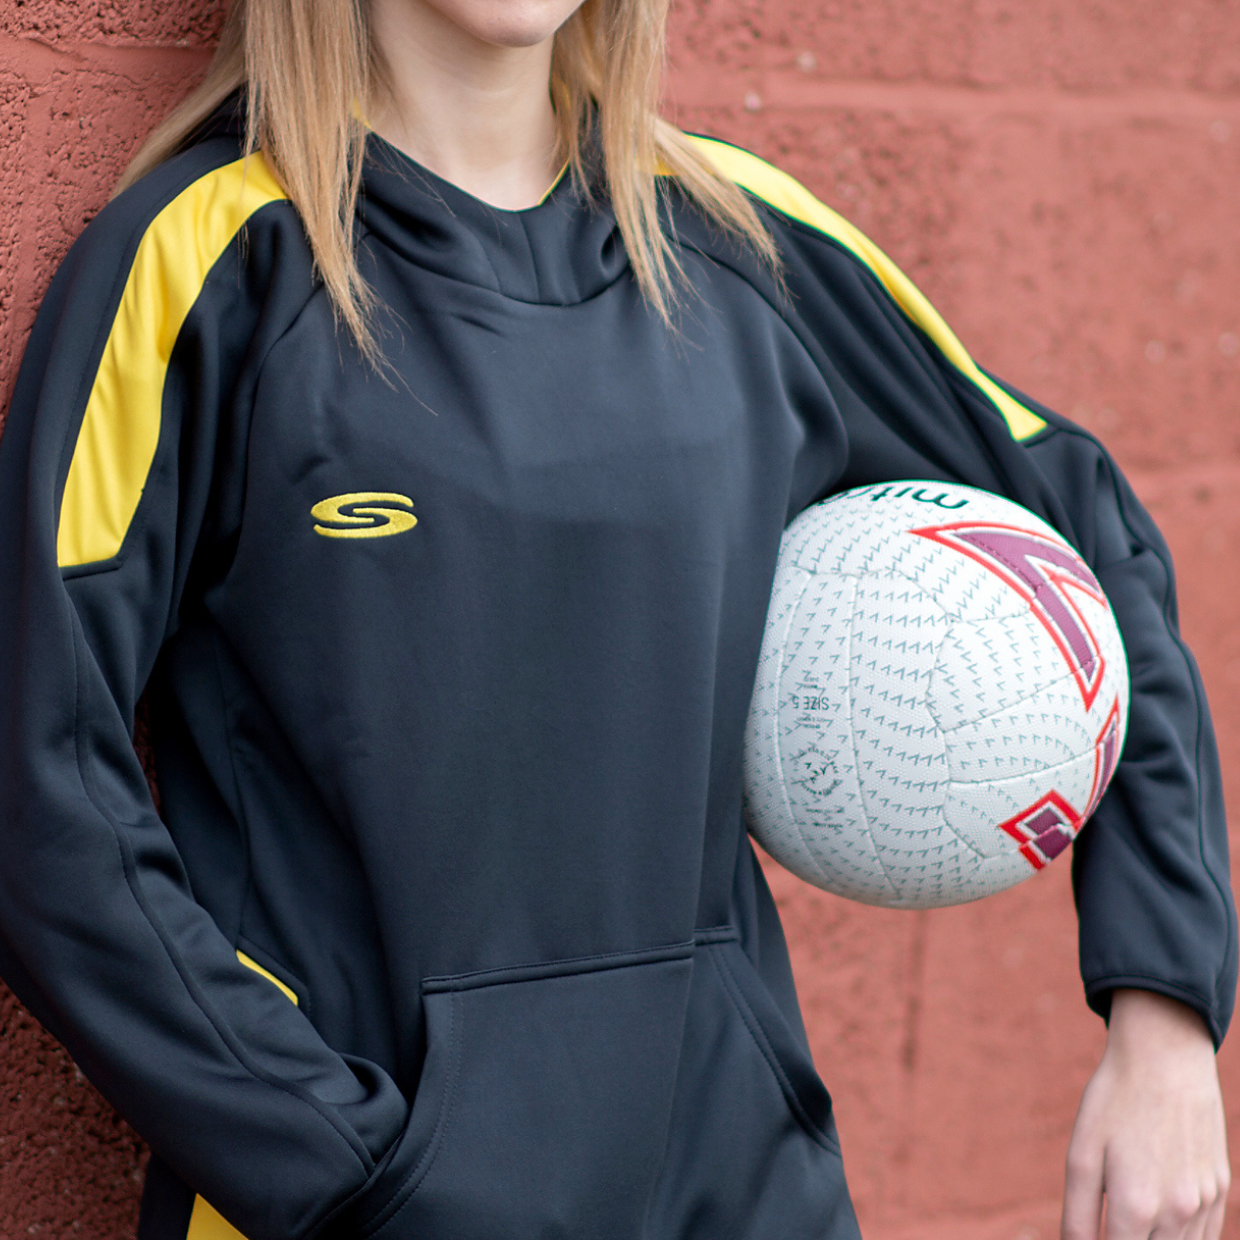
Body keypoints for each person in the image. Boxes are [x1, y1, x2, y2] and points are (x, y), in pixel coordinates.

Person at [0, 0, 1231, 1230]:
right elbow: (36, 780)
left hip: (743, 1191)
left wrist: (1164, 1015)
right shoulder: (208, 262)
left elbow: (1085, 530)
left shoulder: (733, 239)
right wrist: (342, 1166)